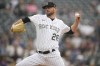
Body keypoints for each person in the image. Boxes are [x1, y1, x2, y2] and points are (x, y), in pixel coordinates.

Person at [11, 2, 80, 66]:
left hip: (53, 55)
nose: (47, 9)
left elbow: (71, 31)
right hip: (39, 55)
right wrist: (14, 24)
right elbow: (25, 19)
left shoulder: (60, 23)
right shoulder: (39, 17)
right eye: (46, 8)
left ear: (55, 9)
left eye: (49, 7)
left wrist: (77, 21)